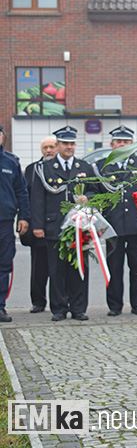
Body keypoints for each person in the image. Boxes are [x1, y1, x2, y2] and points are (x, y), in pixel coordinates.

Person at [30, 126, 95, 321]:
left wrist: (88, 197)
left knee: (78, 268)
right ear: (57, 145)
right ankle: (58, 309)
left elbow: (96, 191)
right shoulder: (44, 168)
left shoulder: (84, 167)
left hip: (79, 227)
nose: (69, 147)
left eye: (72, 144)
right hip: (54, 225)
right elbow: (37, 198)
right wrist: (38, 225)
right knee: (56, 269)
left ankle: (79, 308)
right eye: (65, 143)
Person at [93, 126, 137, 316]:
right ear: (111, 145)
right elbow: (94, 192)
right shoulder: (102, 166)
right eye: (118, 142)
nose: (122, 144)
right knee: (114, 269)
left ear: (132, 144)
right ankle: (114, 306)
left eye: (126, 141)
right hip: (112, 226)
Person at [21, 136, 57, 313]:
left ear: (57, 148)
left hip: (56, 226)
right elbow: (28, 197)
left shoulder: (60, 169)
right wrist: (30, 222)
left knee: (57, 268)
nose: (49, 150)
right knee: (39, 268)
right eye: (45, 148)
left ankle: (58, 302)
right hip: (38, 225)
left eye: (51, 147)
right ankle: (38, 302)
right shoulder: (32, 169)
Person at [0, 124, 30, 322]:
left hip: (4, 220)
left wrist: (24, 217)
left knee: (3, 264)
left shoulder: (11, 162)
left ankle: (0, 306)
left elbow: (21, 191)